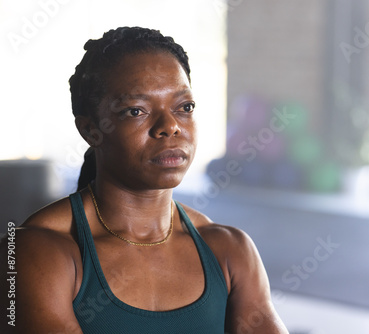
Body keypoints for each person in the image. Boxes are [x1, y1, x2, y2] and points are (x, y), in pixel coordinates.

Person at [0, 26, 288, 333]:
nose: (170, 126)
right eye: (136, 111)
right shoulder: (36, 251)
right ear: (90, 129)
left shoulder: (229, 250)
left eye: (184, 107)